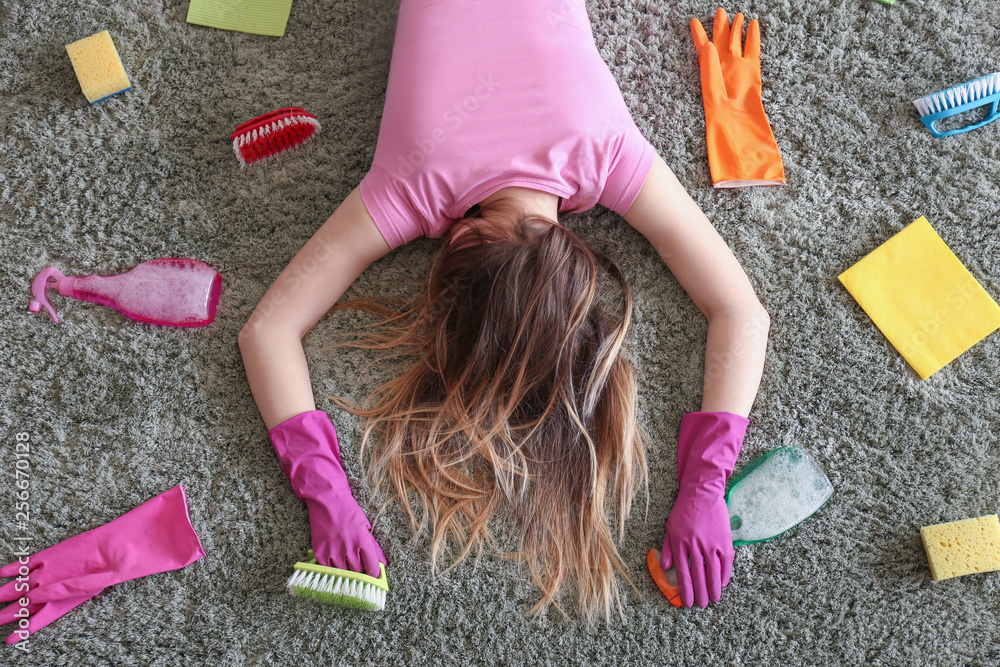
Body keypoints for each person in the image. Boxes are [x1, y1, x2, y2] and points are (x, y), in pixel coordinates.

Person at [238, 0, 769, 621]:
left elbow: (741, 312)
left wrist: (710, 483)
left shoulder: (603, 147)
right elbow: (266, 331)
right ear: (457, 245)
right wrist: (324, 495)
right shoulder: (416, 179)